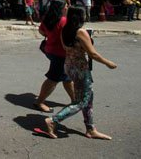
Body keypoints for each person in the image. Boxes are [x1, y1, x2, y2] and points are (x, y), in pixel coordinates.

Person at [41, 7, 117, 140]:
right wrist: (108, 63)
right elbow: (92, 53)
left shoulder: (65, 29)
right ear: (81, 17)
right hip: (81, 69)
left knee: (88, 97)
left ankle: (90, 128)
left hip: (70, 66)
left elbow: (65, 48)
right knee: (81, 101)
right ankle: (53, 120)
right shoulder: (80, 32)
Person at [33, 0, 76, 113]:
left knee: (67, 78)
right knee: (53, 79)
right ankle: (39, 102)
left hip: (50, 50)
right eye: (66, 6)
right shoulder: (64, 21)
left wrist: (52, 35)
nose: (68, 7)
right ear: (61, 8)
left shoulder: (48, 19)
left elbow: (41, 31)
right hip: (61, 54)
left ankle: (75, 100)